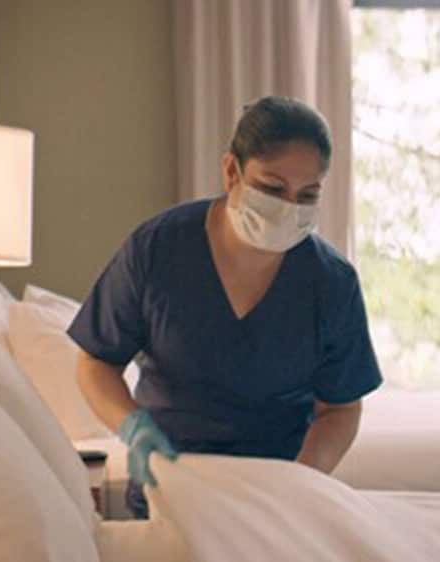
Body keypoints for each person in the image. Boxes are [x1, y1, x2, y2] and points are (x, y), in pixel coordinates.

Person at [68, 96, 382, 519]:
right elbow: (95, 362)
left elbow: (341, 408)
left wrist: (301, 481)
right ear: (231, 170)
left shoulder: (330, 282)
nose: (289, 208)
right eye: (272, 189)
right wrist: (132, 427)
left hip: (276, 500)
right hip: (171, 490)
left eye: (307, 194)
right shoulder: (159, 249)